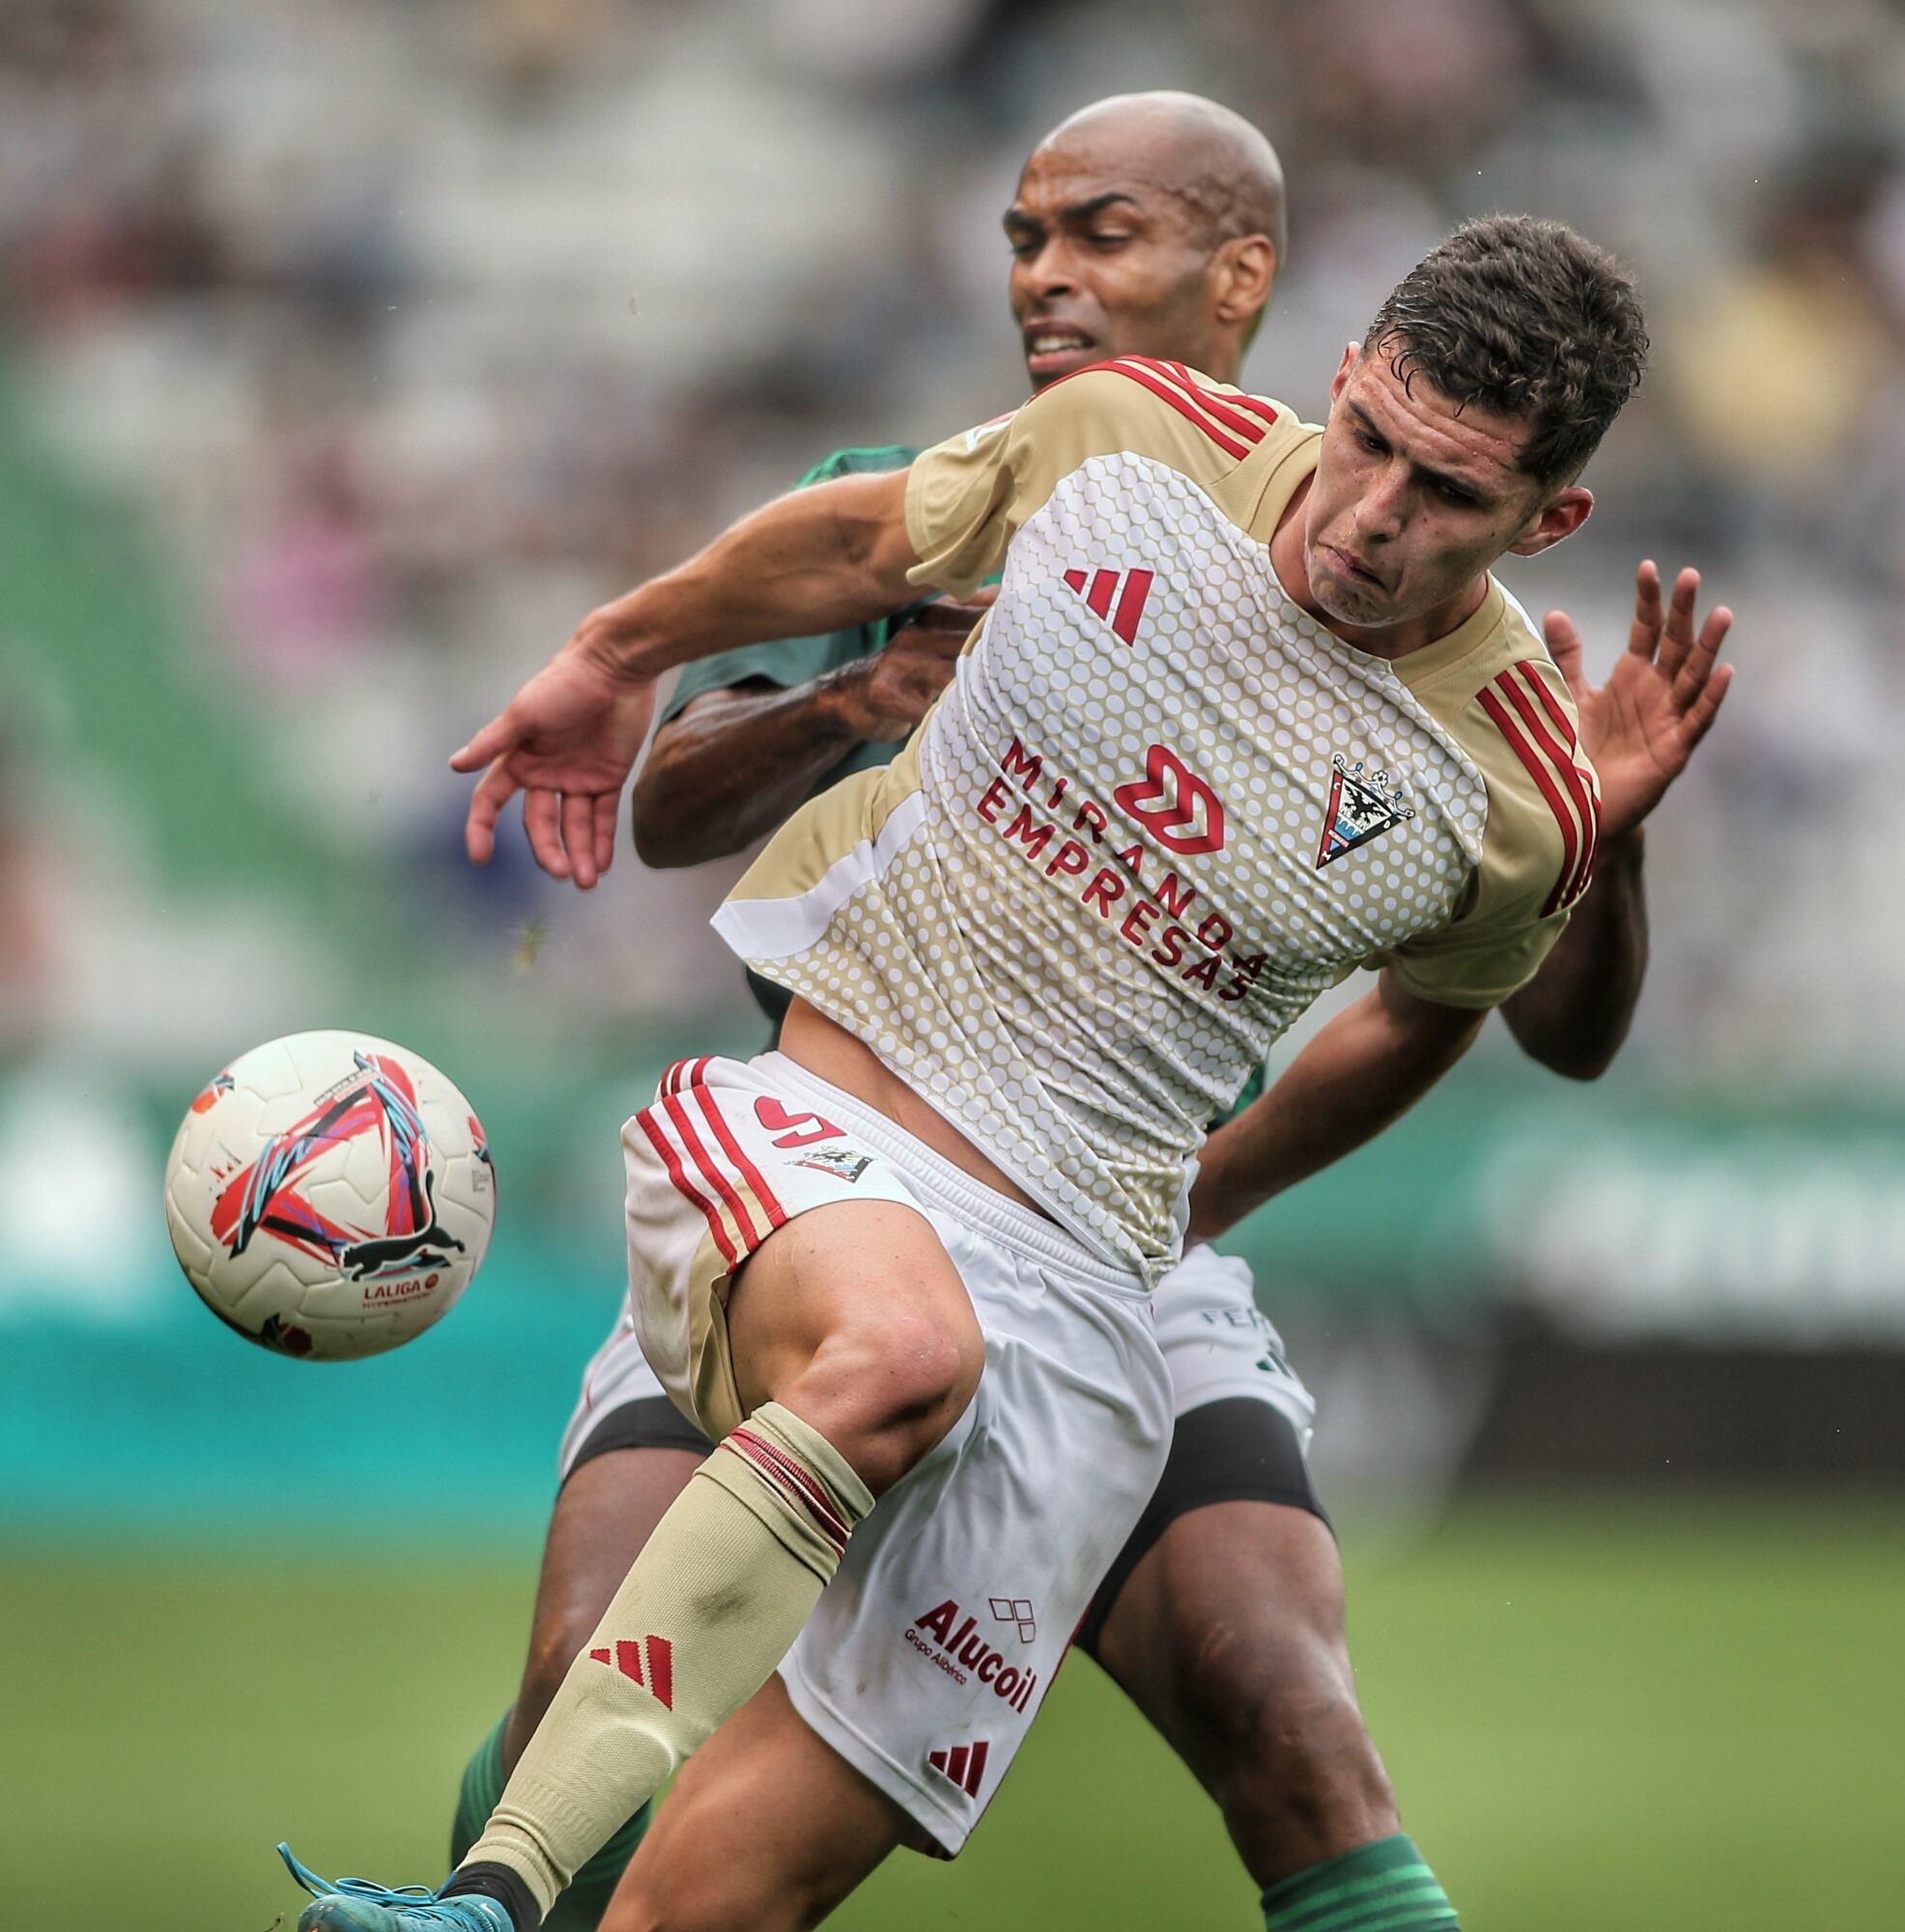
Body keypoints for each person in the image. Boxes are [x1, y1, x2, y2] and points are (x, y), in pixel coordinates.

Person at [286, 207, 1726, 1932]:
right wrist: (613, 652)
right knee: (895, 1355)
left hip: (1093, 1315)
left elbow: (1480, 1013)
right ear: (1338, 381)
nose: (1371, 516)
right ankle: (492, 1900)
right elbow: (849, 543)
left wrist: (1597, 862)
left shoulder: (1510, 792)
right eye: (1369, 444)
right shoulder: (1132, 441)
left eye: (1449, 496)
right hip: (819, 1134)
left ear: (1549, 520)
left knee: (698, 1913)